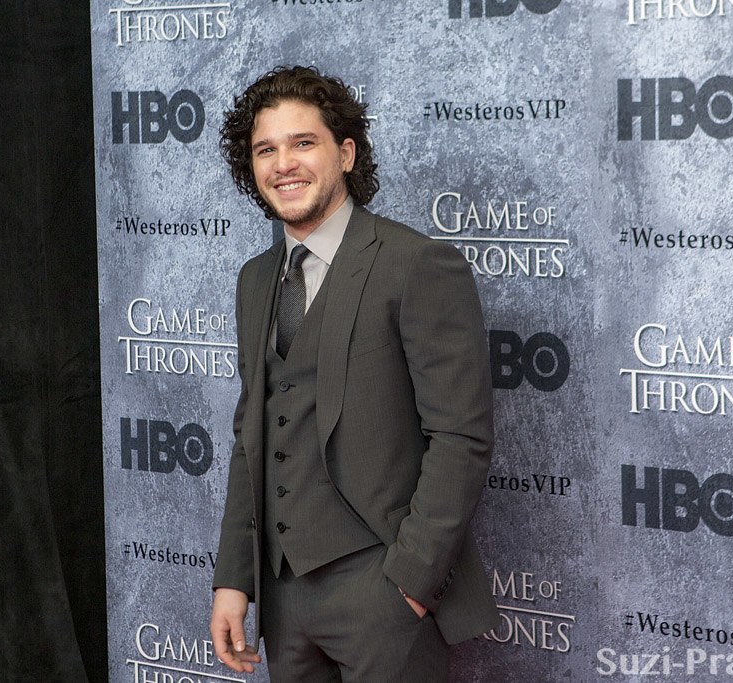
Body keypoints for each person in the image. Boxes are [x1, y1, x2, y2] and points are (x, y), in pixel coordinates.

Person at [209, 65, 498, 682]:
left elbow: (461, 439)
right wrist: (235, 579)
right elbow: (251, 439)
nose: (283, 163)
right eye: (266, 149)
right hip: (283, 600)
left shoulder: (417, 264)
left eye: (303, 143)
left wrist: (411, 584)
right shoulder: (255, 280)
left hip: (384, 594)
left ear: (345, 153)